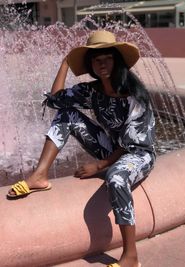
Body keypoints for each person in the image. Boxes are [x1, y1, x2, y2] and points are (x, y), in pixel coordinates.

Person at [7, 30, 156, 267]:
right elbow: (55, 100)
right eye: (96, 60)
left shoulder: (133, 95)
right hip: (113, 149)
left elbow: (131, 143)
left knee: (116, 179)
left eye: (107, 58)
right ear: (91, 64)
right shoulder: (92, 91)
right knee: (66, 113)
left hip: (137, 153)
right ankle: (40, 175)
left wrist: (100, 165)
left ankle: (131, 257)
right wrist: (66, 62)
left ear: (116, 60)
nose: (102, 64)